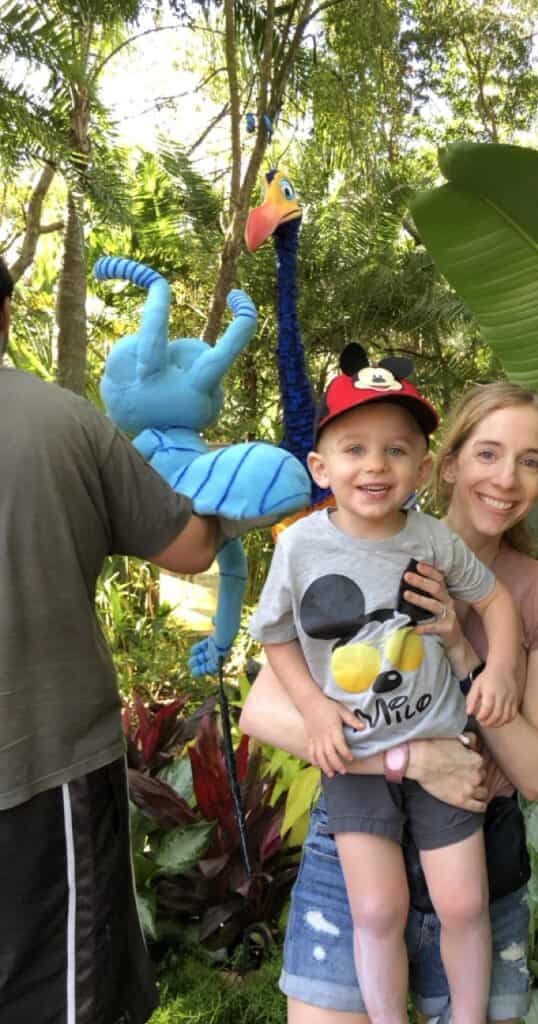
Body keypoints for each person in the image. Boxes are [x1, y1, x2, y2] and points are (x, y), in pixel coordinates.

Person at [242, 376, 538, 1024]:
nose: (506, 478)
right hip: (358, 837)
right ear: (450, 464)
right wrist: (410, 759)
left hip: (475, 852)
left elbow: (537, 774)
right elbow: (264, 713)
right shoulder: (336, 547)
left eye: (530, 461)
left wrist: (467, 653)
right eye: (488, 453)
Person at [0, 255, 228, 1024]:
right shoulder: (63, 422)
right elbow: (191, 548)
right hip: (40, 768)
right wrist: (241, 481)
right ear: (5, 316)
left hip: (40, 763)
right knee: (59, 993)